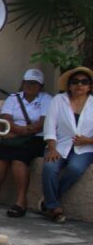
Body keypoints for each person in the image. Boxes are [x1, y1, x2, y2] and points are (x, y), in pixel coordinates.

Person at [0, 69, 52, 217]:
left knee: (19, 162)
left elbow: (43, 122)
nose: (30, 86)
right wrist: (18, 130)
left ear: (41, 86)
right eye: (27, 82)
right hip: (13, 136)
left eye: (34, 83)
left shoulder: (46, 99)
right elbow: (5, 118)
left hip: (34, 138)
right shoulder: (13, 98)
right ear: (22, 83)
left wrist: (21, 131)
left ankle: (21, 201)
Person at [40, 65, 93, 224]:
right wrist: (52, 148)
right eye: (75, 82)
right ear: (69, 85)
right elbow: (49, 125)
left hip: (85, 148)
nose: (79, 85)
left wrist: (88, 140)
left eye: (84, 82)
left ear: (89, 86)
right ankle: (55, 207)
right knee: (49, 167)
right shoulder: (59, 100)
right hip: (59, 144)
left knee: (75, 169)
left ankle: (50, 201)